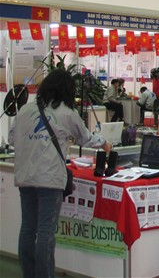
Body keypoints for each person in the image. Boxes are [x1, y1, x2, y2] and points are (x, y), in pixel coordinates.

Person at [9, 69, 113, 278]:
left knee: (28, 229)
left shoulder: (25, 110)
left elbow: (12, 139)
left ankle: (29, 274)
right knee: (46, 232)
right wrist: (104, 143)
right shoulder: (67, 113)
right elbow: (85, 138)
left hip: (25, 177)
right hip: (50, 179)